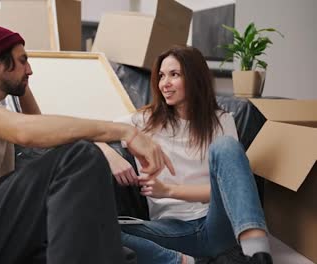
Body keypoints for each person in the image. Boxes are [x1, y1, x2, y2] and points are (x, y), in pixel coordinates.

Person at [0, 25, 174, 264]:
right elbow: (26, 132)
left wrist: (103, 147)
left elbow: (39, 125)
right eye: (23, 60)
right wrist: (124, 132)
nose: (30, 70)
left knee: (115, 255)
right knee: (81, 157)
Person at [97, 46, 273, 264]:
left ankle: (258, 255)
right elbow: (88, 130)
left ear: (194, 78)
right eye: (161, 76)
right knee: (100, 229)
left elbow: (229, 189)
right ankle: (184, 262)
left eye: (174, 75)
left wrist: (170, 190)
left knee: (227, 146)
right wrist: (108, 153)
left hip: (216, 223)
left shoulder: (222, 121)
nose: (165, 84)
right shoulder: (144, 121)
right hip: (170, 231)